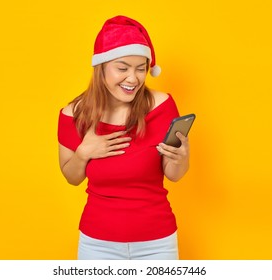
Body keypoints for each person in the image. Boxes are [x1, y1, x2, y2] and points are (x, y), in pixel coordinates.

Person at [58, 15, 190, 260]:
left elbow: (174, 174)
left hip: (157, 242)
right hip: (97, 243)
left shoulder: (162, 106)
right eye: (122, 68)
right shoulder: (73, 114)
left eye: (141, 69)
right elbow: (72, 177)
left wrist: (182, 157)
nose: (133, 78)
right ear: (102, 67)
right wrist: (84, 152)